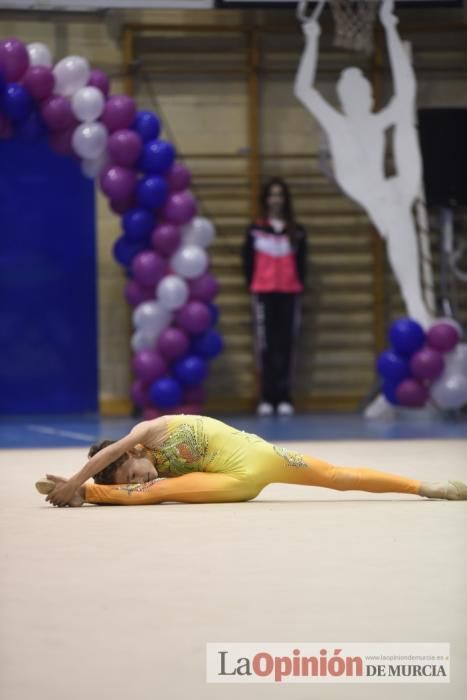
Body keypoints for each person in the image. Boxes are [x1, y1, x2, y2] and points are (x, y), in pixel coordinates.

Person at [294, 0, 432, 328]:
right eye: (351, 91)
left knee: (403, 119)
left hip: (389, 188)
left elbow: (406, 89)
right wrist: (311, 40)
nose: (359, 96)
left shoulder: (376, 120)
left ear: (370, 96)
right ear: (343, 97)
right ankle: (415, 303)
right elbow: (303, 90)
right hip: (363, 186)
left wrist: (390, 26)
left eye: (363, 90)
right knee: (396, 213)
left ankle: (417, 303)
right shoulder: (337, 123)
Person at [36, 414, 467, 506]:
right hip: (237, 479)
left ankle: (427, 487)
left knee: (336, 475)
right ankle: (88, 492)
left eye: (133, 471)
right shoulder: (150, 470)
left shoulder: (145, 433)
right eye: (131, 479)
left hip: (260, 456)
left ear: (134, 452)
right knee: (158, 490)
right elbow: (134, 474)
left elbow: (110, 452)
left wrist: (76, 481)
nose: (138, 477)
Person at [242, 177, 307, 417]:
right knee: (265, 347)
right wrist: (255, 284)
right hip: (263, 293)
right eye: (272, 194)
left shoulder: (296, 232)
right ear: (266, 199)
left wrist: (298, 284)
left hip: (290, 293)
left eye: (280, 194)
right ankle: (267, 397)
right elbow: (247, 262)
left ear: (285, 199)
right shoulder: (256, 230)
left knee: (287, 346)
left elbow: (302, 264)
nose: (276, 199)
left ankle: (284, 396)